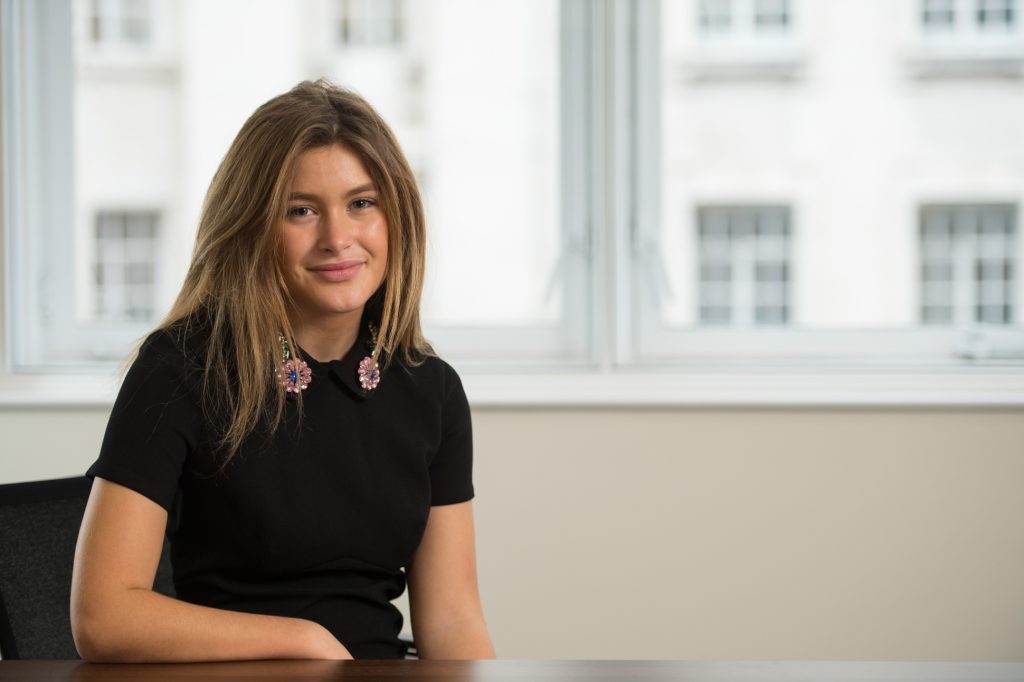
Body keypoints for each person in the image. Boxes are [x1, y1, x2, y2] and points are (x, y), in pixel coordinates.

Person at [70, 79, 495, 662]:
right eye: (301, 211)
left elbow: (452, 617)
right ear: (252, 227)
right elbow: (104, 615)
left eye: (362, 203)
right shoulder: (177, 371)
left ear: (396, 217)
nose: (338, 239)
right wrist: (302, 641)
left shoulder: (431, 388)